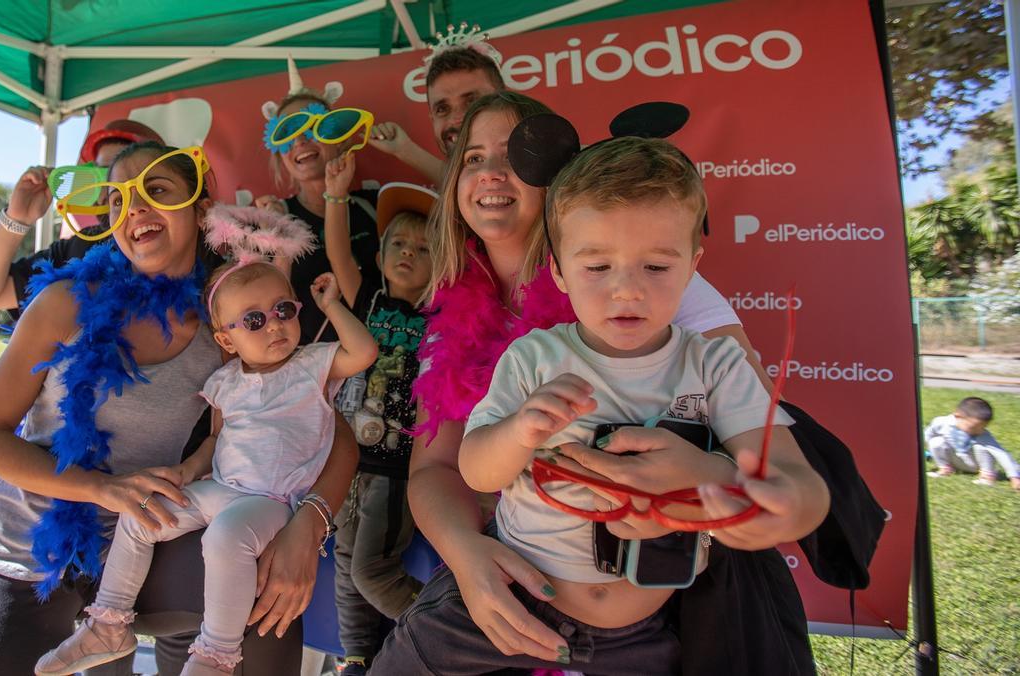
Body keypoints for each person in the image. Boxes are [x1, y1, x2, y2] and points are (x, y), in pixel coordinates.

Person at [372, 91, 882, 676]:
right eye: (471, 157)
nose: (628, 288)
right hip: (518, 582)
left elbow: (774, 459)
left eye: (516, 154)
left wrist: (714, 484)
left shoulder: (655, 282)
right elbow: (445, 467)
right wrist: (466, 556)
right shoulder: (475, 321)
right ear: (566, 270)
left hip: (668, 604)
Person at [0, 142, 359, 676]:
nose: (135, 209)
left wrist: (308, 524)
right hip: (31, 545)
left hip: (151, 541)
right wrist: (101, 488)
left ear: (199, 205)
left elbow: (334, 434)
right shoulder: (65, 303)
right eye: (119, 200)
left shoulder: (230, 322)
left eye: (156, 190)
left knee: (262, 600)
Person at [36, 205, 378, 675]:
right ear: (228, 339)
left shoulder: (311, 366)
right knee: (141, 516)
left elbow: (364, 352)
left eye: (283, 310)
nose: (275, 324)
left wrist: (331, 306)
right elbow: (215, 441)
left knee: (227, 536)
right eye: (254, 321)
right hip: (221, 486)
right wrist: (184, 473)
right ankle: (109, 622)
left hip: (271, 499)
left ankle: (216, 653)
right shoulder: (225, 381)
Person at [323, 165, 435, 674]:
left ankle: (453, 629)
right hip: (347, 461)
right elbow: (338, 253)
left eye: (424, 246)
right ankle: (357, 660)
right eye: (399, 244)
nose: (408, 252)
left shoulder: (441, 313)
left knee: (372, 571)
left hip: (397, 468)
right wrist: (335, 195)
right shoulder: (367, 298)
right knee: (346, 568)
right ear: (382, 255)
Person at [0, 119, 164, 317]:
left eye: (124, 177)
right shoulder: (79, 249)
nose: (111, 191)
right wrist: (17, 219)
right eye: (102, 176)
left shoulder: (191, 242)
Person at [259, 63, 381, 343]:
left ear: (339, 137)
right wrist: (280, 245)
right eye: (287, 132)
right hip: (315, 377)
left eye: (312, 126)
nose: (299, 140)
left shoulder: (376, 205)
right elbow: (267, 315)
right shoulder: (273, 221)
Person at [369, 28, 505, 183]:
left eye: (472, 102)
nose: (456, 119)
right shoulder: (462, 192)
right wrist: (404, 149)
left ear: (506, 101)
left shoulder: (537, 168)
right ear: (432, 119)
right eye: (442, 109)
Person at [926, 396, 1020, 490]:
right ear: (958, 416)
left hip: (975, 465)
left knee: (981, 446)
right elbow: (927, 435)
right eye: (973, 427)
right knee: (936, 441)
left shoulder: (983, 435)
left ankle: (987, 476)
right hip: (955, 460)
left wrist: (1015, 477)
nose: (979, 431)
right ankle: (945, 468)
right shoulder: (941, 422)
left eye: (983, 427)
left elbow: (1001, 454)